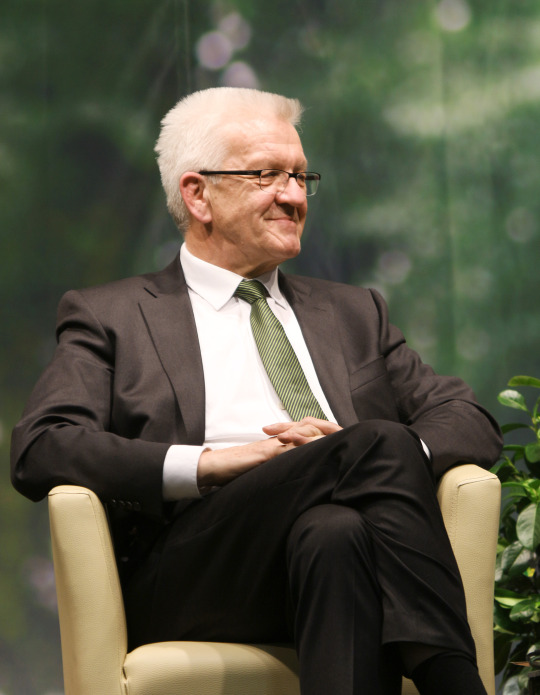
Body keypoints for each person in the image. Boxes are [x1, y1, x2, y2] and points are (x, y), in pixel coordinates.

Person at [11, 87, 502, 695]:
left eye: (301, 176)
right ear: (198, 194)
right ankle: (454, 677)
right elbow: (42, 446)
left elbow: (467, 417)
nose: (294, 196)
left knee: (336, 531)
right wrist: (210, 464)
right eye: (267, 175)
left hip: (331, 561)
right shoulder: (112, 315)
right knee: (373, 445)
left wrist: (383, 461)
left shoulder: (354, 313)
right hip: (195, 571)